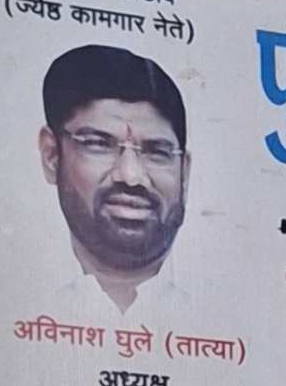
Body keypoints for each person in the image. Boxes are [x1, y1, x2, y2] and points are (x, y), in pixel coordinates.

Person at [38, 45, 190, 316]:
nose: (131, 176)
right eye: (98, 144)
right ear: (51, 155)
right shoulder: (17, 303)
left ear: (184, 171)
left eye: (156, 152)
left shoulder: (231, 313)